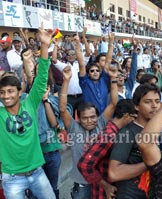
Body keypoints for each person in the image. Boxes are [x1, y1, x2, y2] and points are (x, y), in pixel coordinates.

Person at [0, 24, 56, 199]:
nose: (6, 96)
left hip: (37, 173)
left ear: (19, 92)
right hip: (12, 179)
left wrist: (45, 46)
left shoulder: (30, 104)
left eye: (10, 91)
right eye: (2, 93)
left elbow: (41, 80)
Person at [59, 63, 118, 199]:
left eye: (93, 117)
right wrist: (66, 81)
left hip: (101, 183)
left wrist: (113, 79)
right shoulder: (74, 128)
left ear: (98, 116)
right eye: (85, 118)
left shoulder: (101, 123)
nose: (90, 120)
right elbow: (62, 109)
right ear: (78, 119)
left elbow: (113, 103)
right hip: (82, 184)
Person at [108, 83, 161, 199]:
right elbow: (114, 173)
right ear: (136, 106)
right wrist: (151, 162)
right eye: (148, 102)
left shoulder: (155, 130)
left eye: (157, 101)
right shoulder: (127, 133)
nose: (154, 106)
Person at [77, 99, 137, 199]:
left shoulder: (115, 131)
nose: (135, 122)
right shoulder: (109, 135)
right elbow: (84, 165)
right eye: (134, 118)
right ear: (126, 116)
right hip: (103, 194)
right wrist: (106, 186)